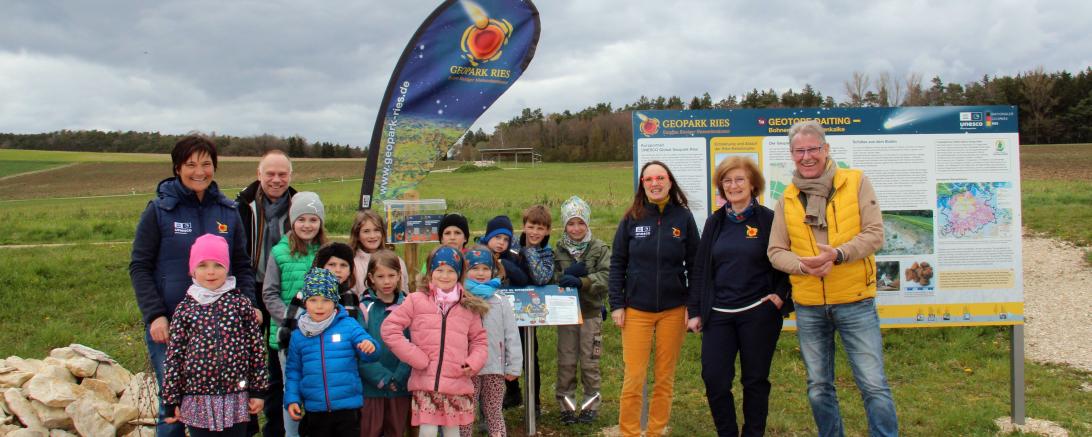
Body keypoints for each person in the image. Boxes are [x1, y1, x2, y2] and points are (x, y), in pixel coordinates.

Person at [767, 120, 897, 437]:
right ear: (792, 154)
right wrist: (802, 266)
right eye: (800, 151)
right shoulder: (787, 197)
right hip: (810, 306)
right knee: (818, 387)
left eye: (813, 149)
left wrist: (838, 255)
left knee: (873, 384)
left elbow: (875, 234)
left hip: (855, 302)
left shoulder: (855, 182)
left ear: (826, 149)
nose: (807, 156)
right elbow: (775, 250)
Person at [130, 134, 257, 437]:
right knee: (173, 407)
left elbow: (242, 265)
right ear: (177, 168)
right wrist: (155, 315)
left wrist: (249, 305)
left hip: (223, 329)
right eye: (190, 164)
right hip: (173, 326)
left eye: (206, 164)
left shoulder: (228, 211)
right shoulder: (159, 212)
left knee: (223, 404)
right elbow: (140, 266)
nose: (199, 171)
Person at [687, 157, 792, 437]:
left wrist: (781, 295)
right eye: (727, 180)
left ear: (753, 184)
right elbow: (700, 269)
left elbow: (786, 260)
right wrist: (695, 310)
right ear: (721, 186)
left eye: (739, 179)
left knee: (755, 380)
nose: (733, 186)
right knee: (715, 380)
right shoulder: (715, 222)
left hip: (758, 313)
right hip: (718, 315)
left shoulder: (769, 219)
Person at [608, 160, 698, 437]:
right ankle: (629, 432)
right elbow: (617, 263)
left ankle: (656, 431)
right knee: (634, 378)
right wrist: (617, 305)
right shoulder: (631, 218)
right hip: (636, 309)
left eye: (660, 178)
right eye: (649, 179)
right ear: (642, 185)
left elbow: (696, 266)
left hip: (673, 309)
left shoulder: (683, 218)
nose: (655, 183)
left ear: (670, 182)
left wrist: (693, 308)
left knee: (664, 378)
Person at [162, 234, 269, 436]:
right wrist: (171, 399)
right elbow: (174, 356)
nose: (210, 272)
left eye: (218, 265)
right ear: (192, 269)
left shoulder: (240, 304)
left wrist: (257, 391)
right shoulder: (185, 309)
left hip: (235, 397)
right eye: (203, 265)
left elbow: (256, 349)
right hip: (197, 399)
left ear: (227, 268)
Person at [381, 246, 489, 437]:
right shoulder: (416, 300)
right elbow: (390, 330)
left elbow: (479, 341)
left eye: (450, 271)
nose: (444, 276)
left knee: (452, 431)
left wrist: (473, 363)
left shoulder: (467, 307)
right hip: (425, 381)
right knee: (428, 431)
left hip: (456, 381)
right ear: (430, 273)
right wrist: (416, 357)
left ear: (459, 274)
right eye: (439, 270)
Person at [236, 149, 296, 437]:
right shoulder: (241, 205)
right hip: (249, 288)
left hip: (284, 293)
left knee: (276, 364)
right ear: (259, 175)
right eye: (270, 173)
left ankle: (276, 428)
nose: (276, 179)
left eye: (282, 174)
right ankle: (244, 426)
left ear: (290, 176)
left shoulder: (299, 206)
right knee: (245, 360)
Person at [283, 268, 380, 437]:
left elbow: (371, 353)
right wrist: (292, 398)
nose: (319, 306)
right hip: (315, 410)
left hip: (347, 410)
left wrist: (369, 346)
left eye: (326, 300)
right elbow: (293, 372)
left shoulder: (348, 325)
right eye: (313, 300)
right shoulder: (299, 335)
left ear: (335, 302)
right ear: (305, 302)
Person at [262, 191, 328, 437]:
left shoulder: (326, 252)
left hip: (321, 333)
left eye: (313, 219)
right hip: (289, 336)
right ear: (292, 221)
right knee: (292, 392)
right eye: (301, 219)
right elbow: (269, 293)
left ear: (320, 222)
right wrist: (295, 319)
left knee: (318, 389)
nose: (307, 225)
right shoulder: (280, 253)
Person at [553, 195, 611, 425]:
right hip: (566, 316)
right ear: (564, 225)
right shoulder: (558, 250)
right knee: (566, 363)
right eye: (571, 223)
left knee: (590, 363)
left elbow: (608, 276)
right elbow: (551, 277)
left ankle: (590, 406)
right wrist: (563, 278)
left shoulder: (599, 248)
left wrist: (583, 281)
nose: (576, 228)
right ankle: (567, 407)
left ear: (587, 223)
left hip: (590, 314)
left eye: (580, 223)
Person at [459, 247, 522, 437]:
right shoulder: (460, 298)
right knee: (466, 414)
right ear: (465, 271)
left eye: (485, 268)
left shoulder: (501, 301)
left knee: (494, 412)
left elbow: (511, 334)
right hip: (467, 369)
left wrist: (514, 366)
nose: (480, 273)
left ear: (493, 271)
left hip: (495, 367)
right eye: (474, 268)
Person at [505, 205, 555, 415]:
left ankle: (534, 401)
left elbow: (543, 277)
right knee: (506, 351)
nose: (534, 232)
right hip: (507, 309)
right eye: (531, 226)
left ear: (548, 231)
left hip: (530, 310)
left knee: (529, 354)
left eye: (540, 228)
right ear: (524, 226)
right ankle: (512, 391)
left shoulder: (546, 252)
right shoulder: (511, 245)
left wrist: (529, 252)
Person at [358, 250, 413, 437]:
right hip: (372, 387)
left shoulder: (409, 305)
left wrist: (399, 376)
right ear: (371, 278)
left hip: (400, 385)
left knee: (395, 431)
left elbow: (414, 344)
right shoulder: (364, 308)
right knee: (370, 431)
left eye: (391, 275)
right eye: (381, 276)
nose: (387, 281)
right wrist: (383, 378)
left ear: (399, 276)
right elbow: (359, 349)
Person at [350, 209, 409, 294]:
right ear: (357, 235)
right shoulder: (353, 264)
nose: (372, 236)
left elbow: (404, 292)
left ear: (383, 233)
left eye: (377, 230)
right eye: (366, 231)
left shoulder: (396, 260)